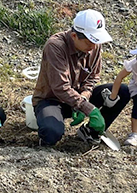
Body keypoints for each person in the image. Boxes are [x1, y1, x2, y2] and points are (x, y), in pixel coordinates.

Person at [32, 9, 130, 146]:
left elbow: (93, 77)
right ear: (74, 36)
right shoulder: (55, 46)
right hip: (52, 99)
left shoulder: (94, 46)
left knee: (122, 91)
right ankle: (47, 135)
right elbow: (60, 87)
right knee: (51, 132)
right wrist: (89, 109)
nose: (94, 46)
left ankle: (91, 131)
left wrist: (84, 97)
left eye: (96, 41)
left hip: (79, 96)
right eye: (90, 42)